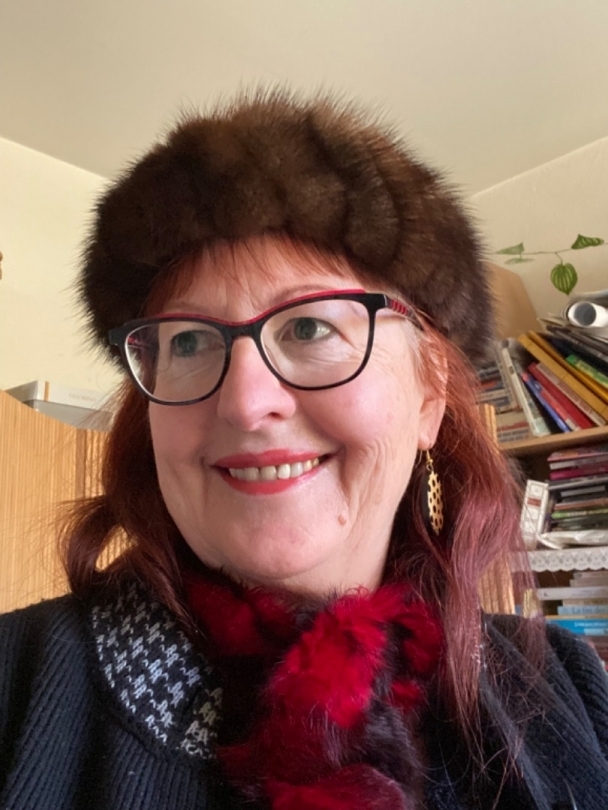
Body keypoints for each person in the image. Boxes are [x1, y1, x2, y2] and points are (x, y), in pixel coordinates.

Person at [1, 90, 607, 810]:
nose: (245, 402)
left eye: (311, 328)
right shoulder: (15, 681)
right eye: (189, 341)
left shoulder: (567, 686)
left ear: (430, 393)